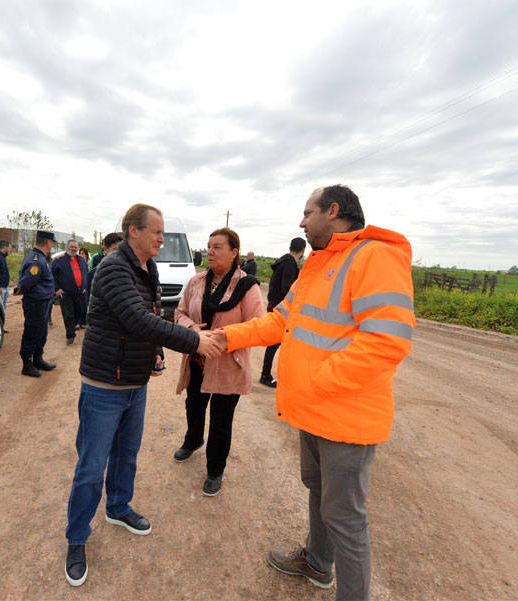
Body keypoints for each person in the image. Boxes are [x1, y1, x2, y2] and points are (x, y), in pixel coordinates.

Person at [211, 185, 415, 600]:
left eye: (308, 213)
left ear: (333, 211)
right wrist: (224, 336)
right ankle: (319, 565)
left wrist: (317, 381)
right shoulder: (318, 264)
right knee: (319, 491)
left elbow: (387, 341)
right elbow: (278, 322)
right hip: (314, 410)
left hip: (344, 416)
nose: (301, 223)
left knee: (346, 519)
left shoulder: (374, 255)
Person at [64, 204, 222, 587]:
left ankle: (118, 508)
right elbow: (138, 318)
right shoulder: (114, 267)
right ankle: (77, 539)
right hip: (104, 385)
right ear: (133, 231)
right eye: (156, 232)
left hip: (135, 383)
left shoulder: (146, 268)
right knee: (91, 466)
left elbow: (149, 314)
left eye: (163, 233)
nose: (161, 239)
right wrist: (194, 341)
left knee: (126, 454)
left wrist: (154, 352)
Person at [172, 227, 264, 496]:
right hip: (198, 362)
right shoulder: (196, 282)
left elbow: (258, 326)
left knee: (221, 421)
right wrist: (193, 329)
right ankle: (192, 441)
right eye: (208, 246)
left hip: (228, 366)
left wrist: (224, 338)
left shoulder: (247, 286)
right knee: (194, 406)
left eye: (217, 247)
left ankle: (215, 470)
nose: (210, 252)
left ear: (234, 253)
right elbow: (179, 313)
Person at [259, 237, 307, 388]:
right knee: (275, 343)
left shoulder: (283, 262)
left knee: (276, 343)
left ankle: (269, 374)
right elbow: (287, 289)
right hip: (282, 309)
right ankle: (266, 375)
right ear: (303, 250)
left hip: (275, 305)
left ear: (290, 247)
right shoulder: (289, 265)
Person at [18, 230, 57, 377]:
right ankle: (27, 364)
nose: (51, 246)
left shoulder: (40, 258)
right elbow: (27, 282)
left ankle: (38, 359)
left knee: (41, 332)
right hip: (35, 303)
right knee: (32, 332)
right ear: (48, 242)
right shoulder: (36, 259)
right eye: (51, 243)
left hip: (42, 302)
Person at [51, 240, 88, 344]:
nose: (74, 249)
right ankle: (70, 335)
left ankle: (72, 325)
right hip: (65, 293)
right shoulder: (59, 260)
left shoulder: (81, 260)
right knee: (68, 314)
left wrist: (85, 286)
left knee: (80, 310)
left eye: (75, 247)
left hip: (80, 292)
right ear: (67, 247)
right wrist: (57, 289)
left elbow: (86, 273)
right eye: (72, 247)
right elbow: (51, 275)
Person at [77, 247, 91, 328]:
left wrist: (87, 286)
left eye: (83, 254)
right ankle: (78, 321)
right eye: (80, 253)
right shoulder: (77, 263)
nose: (82, 255)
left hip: (86, 286)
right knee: (79, 304)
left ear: (86, 255)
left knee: (85, 304)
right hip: (79, 286)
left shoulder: (89, 263)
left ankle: (84, 321)